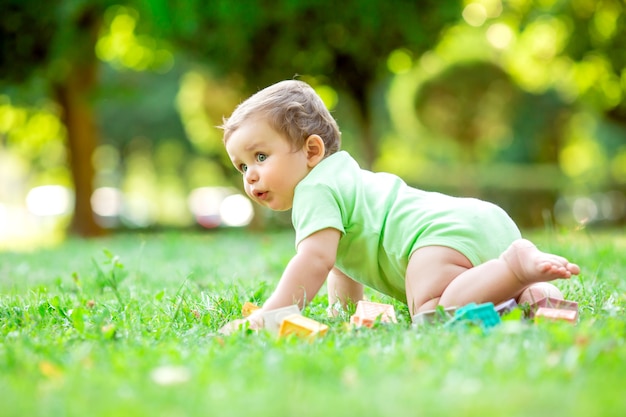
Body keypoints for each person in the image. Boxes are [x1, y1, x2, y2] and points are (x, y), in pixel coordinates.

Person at [218, 79, 580, 332]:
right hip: (482, 223)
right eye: (242, 166)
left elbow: (315, 260)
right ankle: (536, 293)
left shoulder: (314, 190)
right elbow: (342, 263)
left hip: (437, 238)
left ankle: (514, 267)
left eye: (261, 156)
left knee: (433, 312)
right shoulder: (343, 176)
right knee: (495, 301)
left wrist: (272, 315)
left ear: (312, 151)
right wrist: (341, 313)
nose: (250, 175)